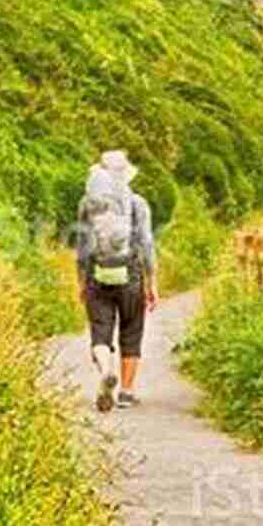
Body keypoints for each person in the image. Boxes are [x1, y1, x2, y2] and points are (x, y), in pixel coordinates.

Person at [77, 151, 159, 412]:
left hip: (97, 274)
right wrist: (152, 282)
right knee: (131, 331)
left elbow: (82, 247)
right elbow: (146, 244)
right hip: (131, 275)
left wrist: (81, 281)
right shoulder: (138, 204)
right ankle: (126, 391)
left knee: (100, 332)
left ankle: (105, 371)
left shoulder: (87, 204)